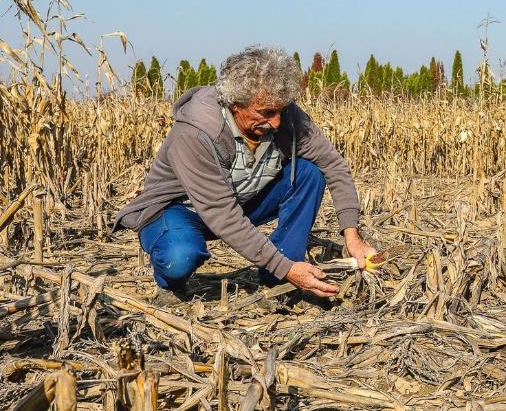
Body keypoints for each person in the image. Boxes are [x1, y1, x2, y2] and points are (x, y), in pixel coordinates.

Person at [113, 46, 377, 304]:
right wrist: (284, 266)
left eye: (280, 110)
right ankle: (170, 282)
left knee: (310, 173)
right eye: (266, 113)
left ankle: (276, 282)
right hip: (179, 209)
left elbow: (334, 165)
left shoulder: (286, 117)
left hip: (241, 201)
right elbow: (221, 213)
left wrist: (352, 237)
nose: (276, 122)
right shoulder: (197, 133)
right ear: (235, 104)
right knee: (179, 258)